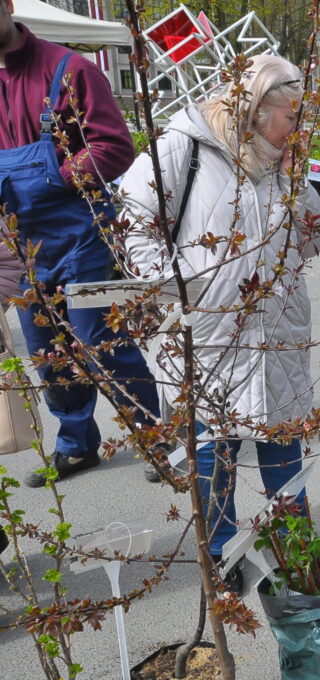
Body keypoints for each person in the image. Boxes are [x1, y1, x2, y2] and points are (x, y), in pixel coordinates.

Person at [120, 54, 320, 592]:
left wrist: (296, 184)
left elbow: (314, 238)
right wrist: (183, 288)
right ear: (257, 109)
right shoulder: (184, 146)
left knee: (283, 446)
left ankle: (296, 545)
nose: (299, 129)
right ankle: (221, 554)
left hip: (277, 332)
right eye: (292, 116)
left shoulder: (283, 163)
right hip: (209, 334)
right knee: (215, 454)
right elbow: (133, 224)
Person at [0, 0, 162, 487]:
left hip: (81, 234)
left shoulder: (69, 70)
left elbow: (115, 147)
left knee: (101, 341)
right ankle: (76, 445)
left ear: (7, 6)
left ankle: (156, 436)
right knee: (47, 351)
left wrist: (54, 177)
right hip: (19, 244)